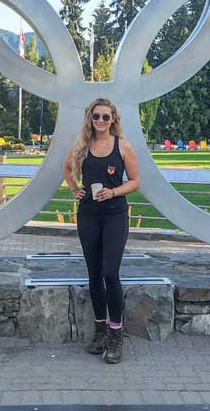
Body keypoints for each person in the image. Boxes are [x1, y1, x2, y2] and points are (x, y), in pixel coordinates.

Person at [62, 98, 140, 365]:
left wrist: (114, 191)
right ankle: (100, 333)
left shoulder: (123, 147)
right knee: (94, 275)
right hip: (88, 215)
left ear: (114, 119)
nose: (101, 121)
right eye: (96, 116)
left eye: (106, 117)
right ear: (90, 119)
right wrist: (75, 189)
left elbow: (136, 181)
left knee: (110, 273)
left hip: (115, 215)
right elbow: (66, 168)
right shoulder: (82, 146)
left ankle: (116, 334)